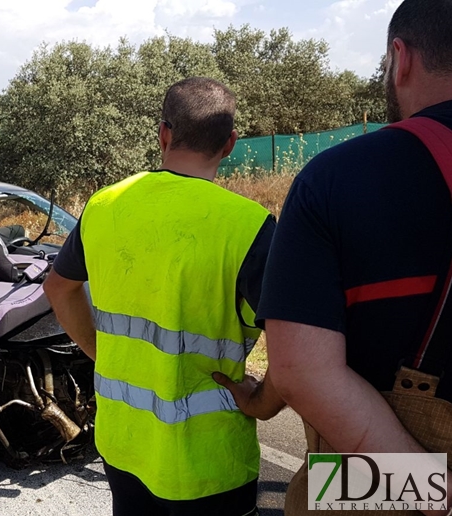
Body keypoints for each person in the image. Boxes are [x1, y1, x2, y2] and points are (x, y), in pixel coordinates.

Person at [213, 1, 452, 514]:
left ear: (400, 58)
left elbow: (302, 370)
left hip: (370, 478)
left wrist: (432, 493)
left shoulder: (336, 179)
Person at [43, 77, 276, 516]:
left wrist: (100, 352)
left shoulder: (104, 205)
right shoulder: (250, 226)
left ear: (163, 134)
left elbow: (58, 288)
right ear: (229, 144)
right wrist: (263, 403)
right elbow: (297, 348)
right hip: (210, 466)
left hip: (124, 446)